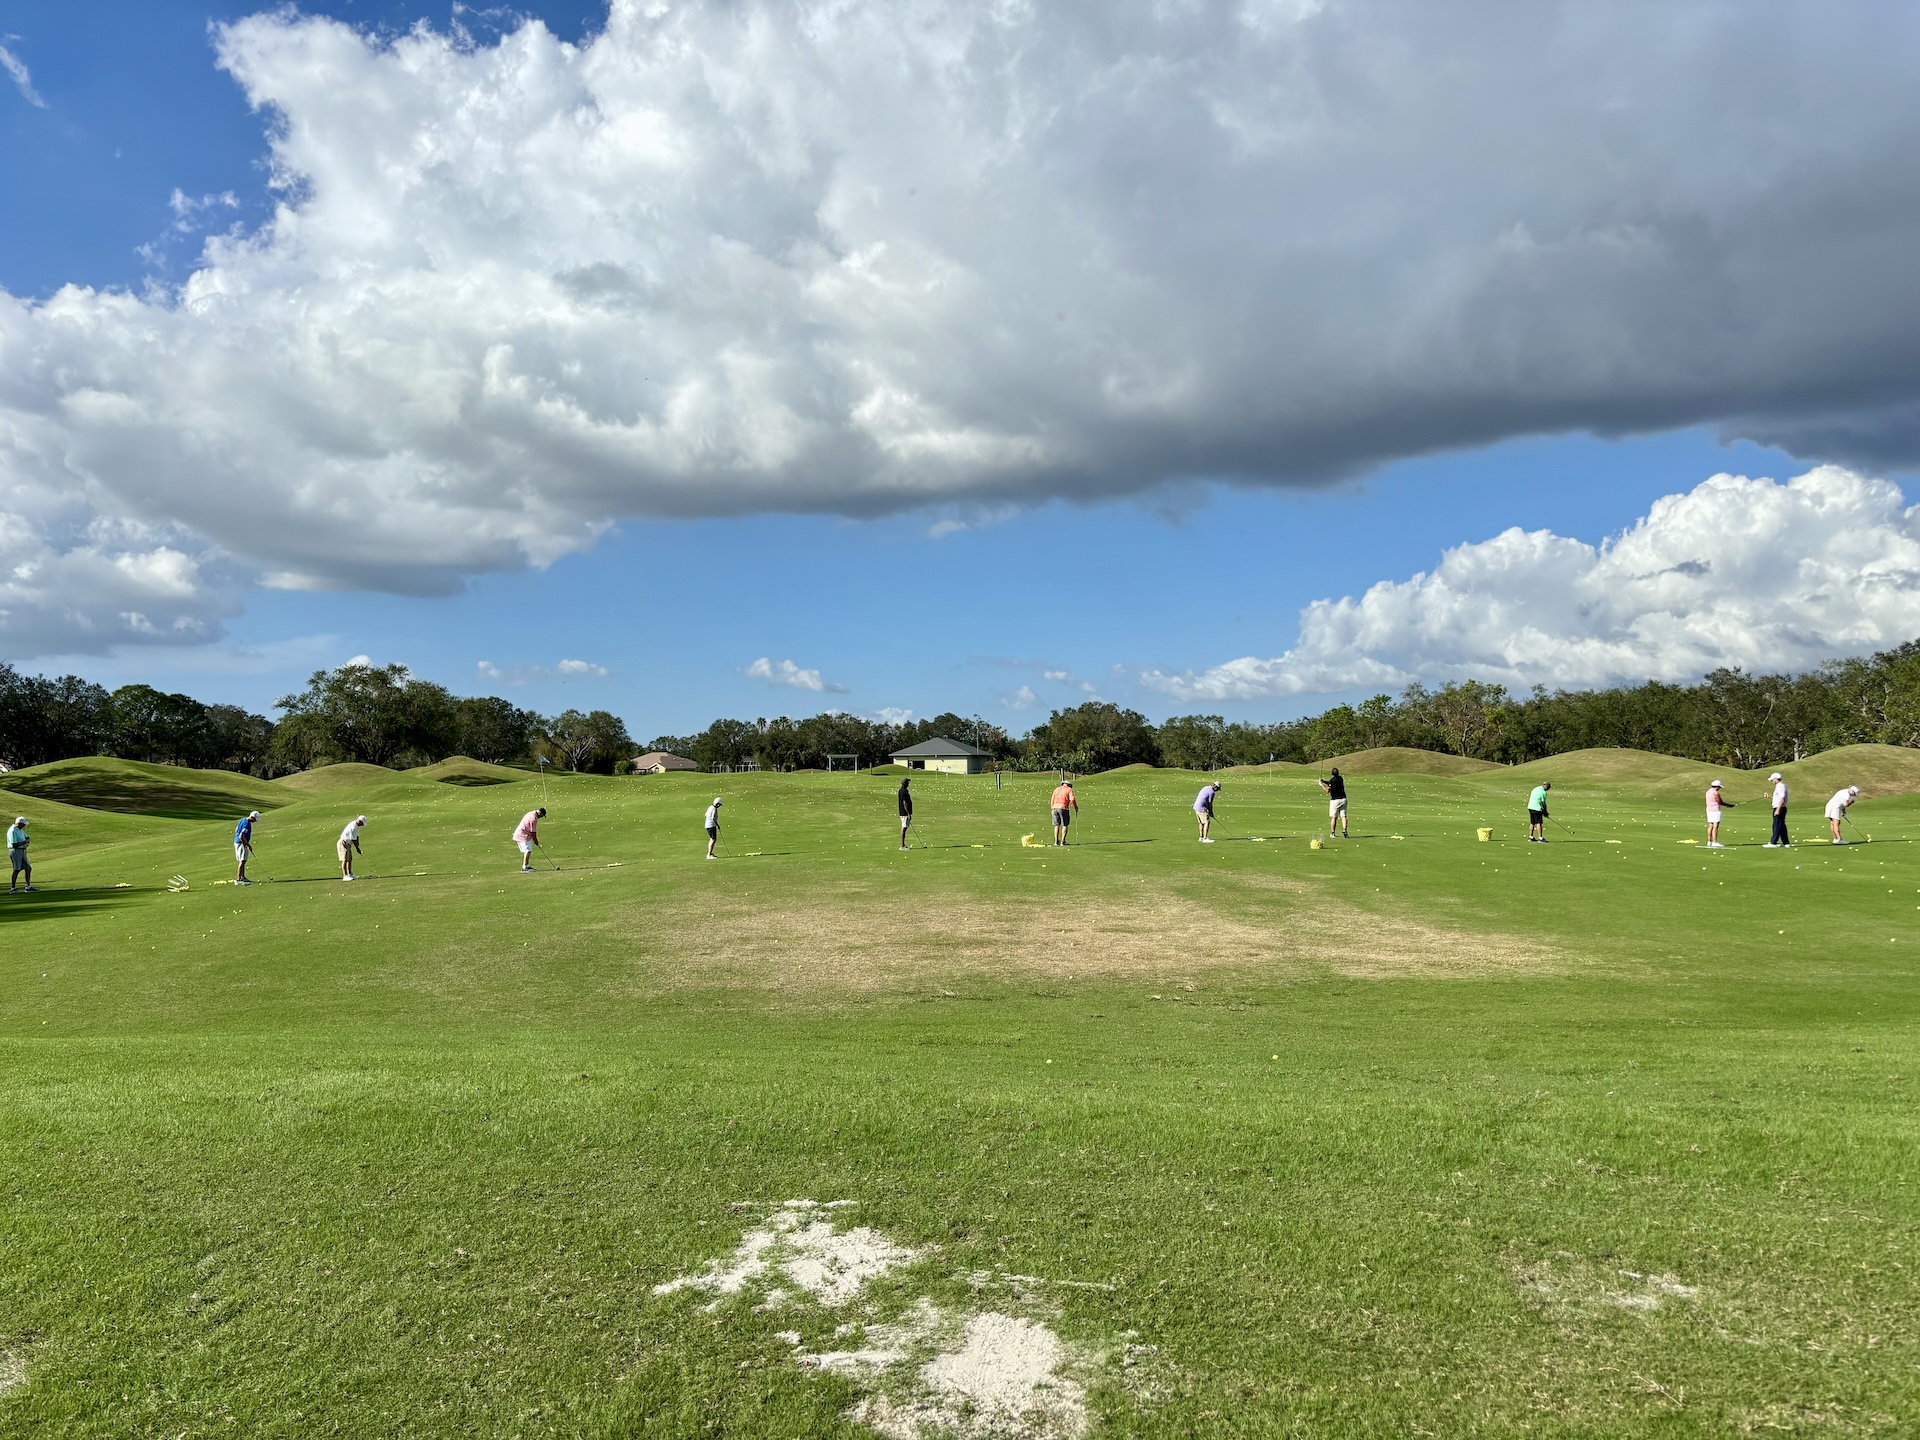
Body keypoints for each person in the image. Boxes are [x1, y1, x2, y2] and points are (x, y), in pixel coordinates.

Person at [513, 806, 546, 871]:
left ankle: (527, 865)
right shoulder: (534, 818)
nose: (541, 817)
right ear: (540, 813)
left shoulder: (531, 813)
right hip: (522, 835)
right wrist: (535, 840)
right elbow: (533, 831)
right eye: (542, 815)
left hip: (523, 834)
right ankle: (524, 867)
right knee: (527, 851)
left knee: (528, 850)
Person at [1318, 767, 1349, 839]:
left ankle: (1333, 833)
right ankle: (1344, 830)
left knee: (1334, 817)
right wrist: (1323, 781)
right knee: (1343, 816)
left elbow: (1327, 790)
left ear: (1332, 773)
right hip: (1343, 799)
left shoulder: (1332, 781)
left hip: (1335, 801)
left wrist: (1321, 784)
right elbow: (1330, 783)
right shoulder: (1340, 778)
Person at [234, 810, 261, 884]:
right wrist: (248, 845)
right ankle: (239, 879)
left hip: (239, 842)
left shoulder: (243, 820)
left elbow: (236, 830)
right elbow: (241, 836)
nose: (255, 821)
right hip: (241, 843)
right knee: (242, 861)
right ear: (252, 817)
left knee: (243, 860)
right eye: (255, 820)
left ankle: (243, 877)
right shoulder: (246, 824)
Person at [1764, 772, 1790, 848]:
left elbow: (1782, 799)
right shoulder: (1780, 786)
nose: (1772, 781)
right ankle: (1786, 842)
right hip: (1780, 807)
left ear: (1776, 779)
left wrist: (1778, 810)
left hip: (1779, 808)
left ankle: (1773, 842)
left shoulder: (1780, 786)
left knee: (1776, 825)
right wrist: (1770, 796)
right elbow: (1778, 798)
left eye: (1772, 780)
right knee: (1781, 826)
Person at [1704, 781, 1733, 848]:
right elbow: (1720, 802)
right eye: (1719, 787)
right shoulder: (1716, 793)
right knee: (1715, 826)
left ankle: (1709, 841)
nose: (1719, 788)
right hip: (1715, 810)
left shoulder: (1708, 791)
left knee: (1710, 825)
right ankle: (1714, 842)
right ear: (1717, 787)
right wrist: (1729, 805)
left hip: (1709, 810)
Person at [7, 815, 32, 893]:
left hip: (22, 851)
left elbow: (27, 837)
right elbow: (14, 844)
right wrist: (25, 842)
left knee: (28, 868)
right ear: (19, 823)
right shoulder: (13, 830)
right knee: (17, 869)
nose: (24, 826)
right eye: (23, 824)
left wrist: (27, 840)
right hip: (15, 851)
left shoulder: (20, 829)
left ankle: (28, 887)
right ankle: (13, 888)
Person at [1051, 778, 1078, 846]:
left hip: (1054, 807)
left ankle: (1056, 842)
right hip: (1063, 808)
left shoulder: (1057, 789)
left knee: (1056, 825)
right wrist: (1076, 807)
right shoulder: (1069, 789)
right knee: (1065, 825)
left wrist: (1052, 807)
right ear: (1069, 785)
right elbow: (1072, 799)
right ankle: (1063, 842)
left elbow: (1052, 799)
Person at [338, 815, 366, 881]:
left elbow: (356, 837)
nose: (362, 825)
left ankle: (350, 874)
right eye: (362, 824)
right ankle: (345, 876)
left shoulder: (356, 826)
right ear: (360, 821)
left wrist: (358, 846)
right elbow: (354, 840)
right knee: (345, 859)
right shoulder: (353, 826)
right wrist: (357, 848)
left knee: (350, 859)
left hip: (347, 843)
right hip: (343, 843)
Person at [897, 776, 913, 850]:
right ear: (905, 783)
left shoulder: (903, 790)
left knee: (905, 827)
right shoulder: (903, 791)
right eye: (908, 782)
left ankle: (903, 845)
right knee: (904, 828)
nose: (908, 784)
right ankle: (902, 846)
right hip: (904, 813)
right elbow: (904, 803)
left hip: (904, 812)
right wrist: (908, 813)